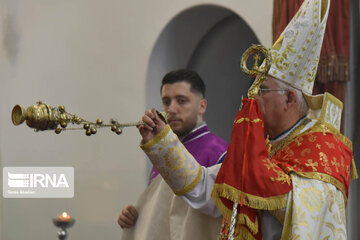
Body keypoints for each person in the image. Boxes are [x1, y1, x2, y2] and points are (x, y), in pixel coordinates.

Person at [138, 0, 358, 239]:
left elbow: (302, 214)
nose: (252, 99)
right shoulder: (266, 147)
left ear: (290, 99)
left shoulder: (323, 148)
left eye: (262, 91)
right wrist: (162, 142)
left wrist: (251, 168)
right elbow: (202, 187)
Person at [118, 69, 228, 239]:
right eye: (166, 101)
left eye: (182, 101)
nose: (172, 109)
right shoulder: (162, 150)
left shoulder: (219, 153)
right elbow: (161, 213)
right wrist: (137, 215)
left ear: (202, 106)